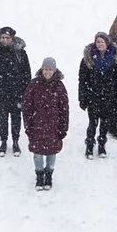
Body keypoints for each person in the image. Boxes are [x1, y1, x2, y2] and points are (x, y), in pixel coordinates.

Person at [22, 57, 69, 189]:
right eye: (45, 69)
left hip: (54, 125)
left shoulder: (59, 86)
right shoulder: (34, 84)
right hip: (37, 125)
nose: (47, 72)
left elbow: (64, 108)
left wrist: (63, 127)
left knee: (51, 152)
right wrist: (28, 125)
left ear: (54, 70)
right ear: (41, 69)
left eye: (50, 69)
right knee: (37, 153)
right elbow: (27, 107)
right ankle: (39, 175)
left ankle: (48, 175)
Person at [0, 26, 32, 155]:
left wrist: (25, 92)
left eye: (7, 38)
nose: (5, 40)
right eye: (3, 38)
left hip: (16, 92)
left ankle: (16, 141)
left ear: (12, 38)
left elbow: (26, 74)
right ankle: (3, 141)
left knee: (16, 118)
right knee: (2, 118)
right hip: (0, 92)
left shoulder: (20, 53)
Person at [79, 31, 117, 157]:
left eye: (102, 41)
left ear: (107, 43)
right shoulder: (88, 59)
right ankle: (89, 145)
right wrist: (82, 97)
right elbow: (82, 80)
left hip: (109, 96)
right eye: (98, 41)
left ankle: (102, 145)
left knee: (105, 123)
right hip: (93, 96)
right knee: (92, 123)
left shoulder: (114, 59)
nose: (100, 44)